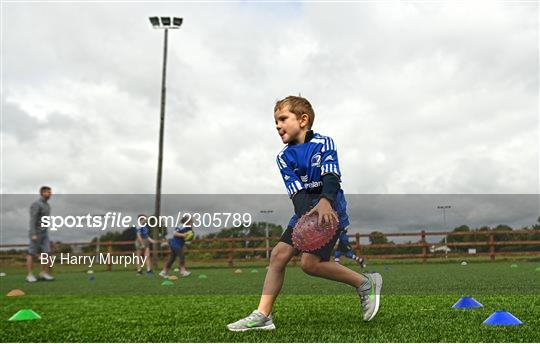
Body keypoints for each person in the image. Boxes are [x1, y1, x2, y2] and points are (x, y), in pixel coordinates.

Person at [227, 96, 382, 331]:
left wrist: (325, 202)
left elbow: (331, 176)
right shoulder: (282, 157)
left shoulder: (324, 142)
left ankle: (365, 283)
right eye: (275, 122)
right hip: (305, 212)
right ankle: (263, 315)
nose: (277, 126)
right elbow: (296, 193)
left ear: (303, 120)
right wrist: (306, 216)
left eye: (282, 119)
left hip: (331, 210)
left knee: (310, 264)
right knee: (278, 255)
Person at [27, 186, 54, 282]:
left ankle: (43, 273)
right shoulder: (36, 204)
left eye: (50, 192)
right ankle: (30, 275)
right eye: (48, 192)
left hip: (44, 233)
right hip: (36, 232)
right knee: (32, 253)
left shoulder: (48, 206)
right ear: (42, 193)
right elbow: (33, 219)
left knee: (46, 253)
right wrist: (33, 233)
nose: (50, 194)